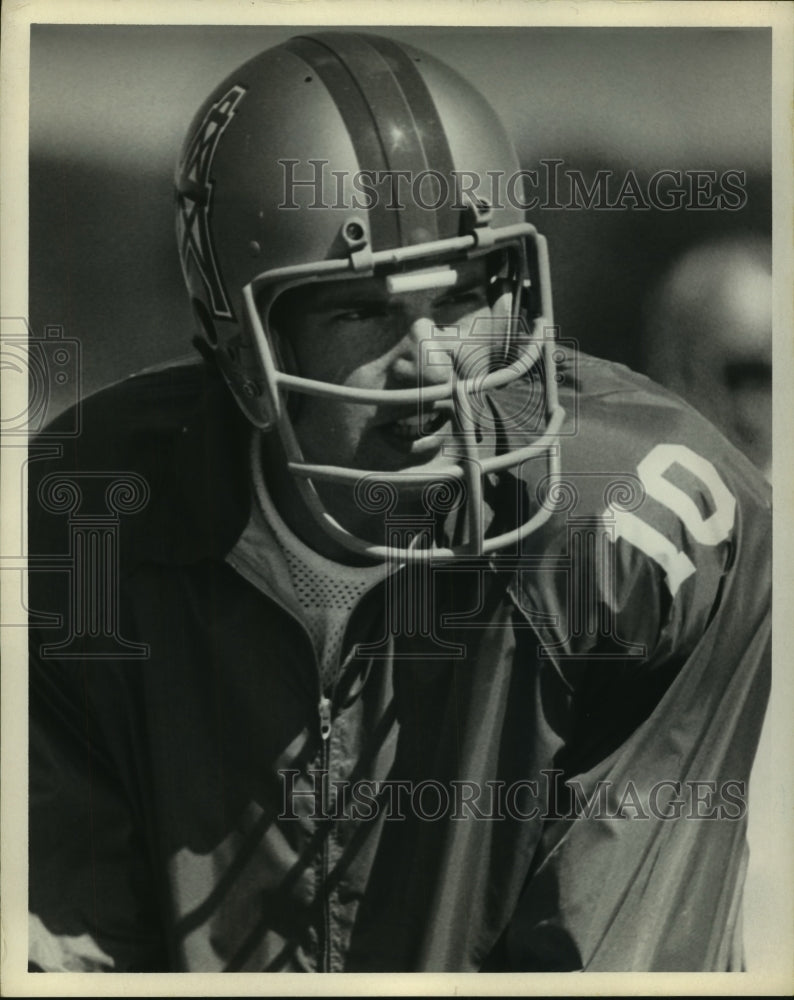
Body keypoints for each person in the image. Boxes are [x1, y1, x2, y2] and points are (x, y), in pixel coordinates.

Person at [28, 31, 771, 973]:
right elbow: (66, 946)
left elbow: (615, 961)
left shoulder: (639, 526)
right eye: (359, 309)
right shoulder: (86, 521)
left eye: (464, 296)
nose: (431, 363)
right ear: (245, 348)